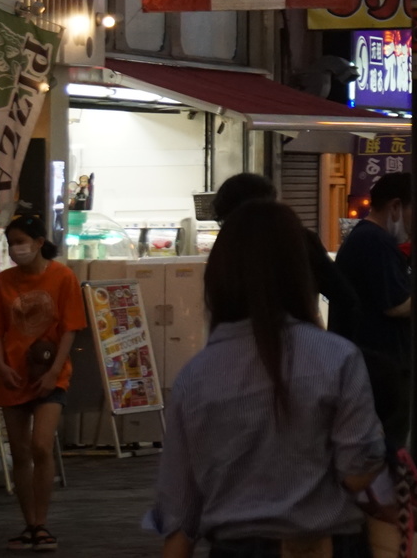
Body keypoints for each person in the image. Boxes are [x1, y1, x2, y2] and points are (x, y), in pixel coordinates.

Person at [149, 201, 385, 558]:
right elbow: (357, 472)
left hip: (235, 548)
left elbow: (179, 518)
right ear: (299, 272)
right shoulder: (337, 357)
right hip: (329, 546)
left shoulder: (194, 377)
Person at [0, 217, 86, 553]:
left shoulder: (63, 277)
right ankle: (29, 524)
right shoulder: (2, 282)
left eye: (21, 241)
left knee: (41, 445)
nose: (16, 248)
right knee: (20, 453)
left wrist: (55, 371)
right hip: (12, 375)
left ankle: (41, 522)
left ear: (40, 241)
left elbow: (70, 328)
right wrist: (1, 365)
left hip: (50, 375)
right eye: (11, 242)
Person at [215, 173, 362, 328]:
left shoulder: (227, 248)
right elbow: (343, 295)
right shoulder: (299, 240)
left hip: (240, 341)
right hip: (298, 339)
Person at [332, 171, 413, 445]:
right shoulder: (375, 242)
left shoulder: (366, 238)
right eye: (415, 212)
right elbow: (396, 305)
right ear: (396, 207)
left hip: (372, 364)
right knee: (387, 444)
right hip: (380, 367)